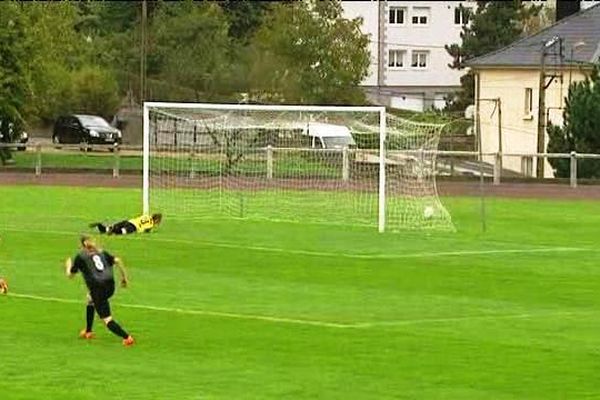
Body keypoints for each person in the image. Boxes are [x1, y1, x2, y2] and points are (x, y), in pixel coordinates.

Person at [65, 235, 134, 346]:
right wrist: (124, 278)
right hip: (110, 286)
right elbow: (117, 260)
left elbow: (70, 275)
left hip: (98, 289)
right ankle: (88, 331)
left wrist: (68, 265)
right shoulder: (102, 252)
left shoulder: (81, 257)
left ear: (82, 245)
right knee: (90, 299)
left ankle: (127, 337)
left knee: (107, 320)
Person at [89, 213, 162, 235]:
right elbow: (146, 230)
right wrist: (151, 231)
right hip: (133, 227)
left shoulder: (146, 216)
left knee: (106, 229)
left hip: (129, 221)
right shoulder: (151, 224)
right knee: (122, 232)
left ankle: (100, 226)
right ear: (156, 220)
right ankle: (114, 230)